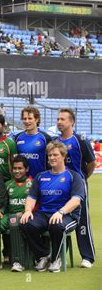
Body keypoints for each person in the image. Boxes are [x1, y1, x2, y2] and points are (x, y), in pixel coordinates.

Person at [20, 142, 85, 273]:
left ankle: (56, 259)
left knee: (57, 225)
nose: (52, 158)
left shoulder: (74, 176)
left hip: (68, 215)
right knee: (26, 223)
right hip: (44, 214)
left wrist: (61, 212)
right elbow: (32, 197)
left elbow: (76, 200)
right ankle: (43, 256)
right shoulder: (41, 176)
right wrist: (27, 211)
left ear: (63, 156)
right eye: (49, 155)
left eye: (55, 155)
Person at [54, 108, 96, 268]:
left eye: (62, 119)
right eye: (58, 119)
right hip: (59, 185)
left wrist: (82, 179)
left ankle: (87, 257)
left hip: (77, 185)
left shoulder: (80, 140)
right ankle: (58, 254)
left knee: (82, 219)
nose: (59, 122)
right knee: (60, 217)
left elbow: (92, 163)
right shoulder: (55, 142)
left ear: (72, 122)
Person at [0, 155, 32, 272]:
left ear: (26, 169)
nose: (17, 171)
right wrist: (0, 211)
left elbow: (36, 203)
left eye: (20, 168)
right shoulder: (8, 184)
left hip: (25, 217)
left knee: (14, 221)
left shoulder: (32, 184)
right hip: (9, 215)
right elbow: (4, 202)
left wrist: (24, 212)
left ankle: (18, 262)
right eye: (15, 169)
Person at [13, 106, 52, 178]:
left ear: (37, 119)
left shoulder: (46, 138)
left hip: (40, 180)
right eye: (24, 119)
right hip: (23, 182)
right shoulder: (17, 137)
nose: (27, 121)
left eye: (30, 118)